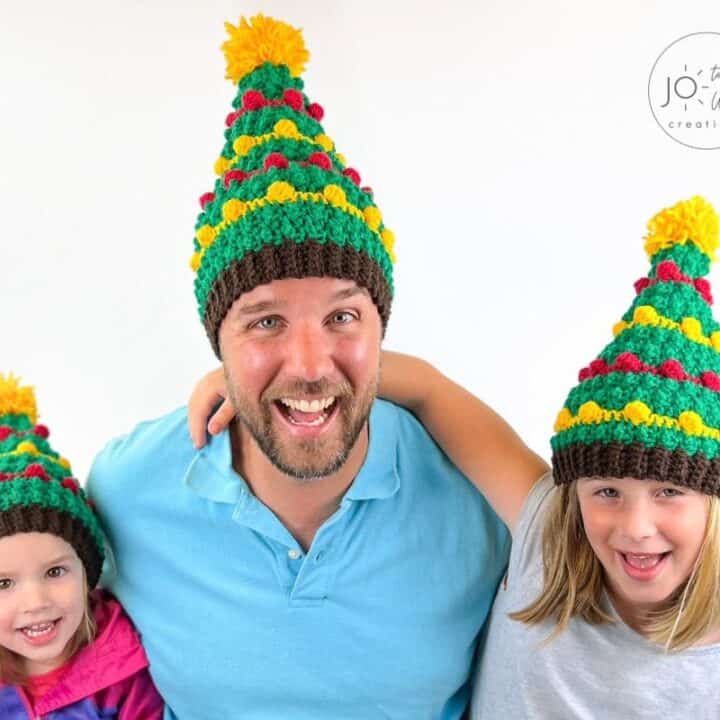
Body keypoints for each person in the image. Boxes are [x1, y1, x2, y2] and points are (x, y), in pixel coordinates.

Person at [86, 14, 546, 720]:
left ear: (380, 332)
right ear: (219, 341)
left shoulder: (475, 497)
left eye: (342, 318)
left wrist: (415, 385)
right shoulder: (125, 489)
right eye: (265, 321)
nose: (307, 364)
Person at [195, 196, 720, 719]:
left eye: (669, 492)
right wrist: (248, 378)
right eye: (607, 491)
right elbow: (428, 389)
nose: (636, 526)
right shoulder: (551, 531)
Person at [0, 374, 163, 719]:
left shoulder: (123, 673)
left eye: (55, 571)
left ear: (87, 572)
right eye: (3, 583)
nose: (36, 602)